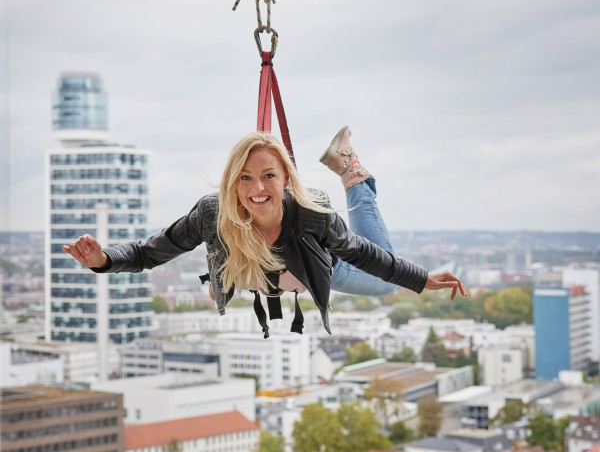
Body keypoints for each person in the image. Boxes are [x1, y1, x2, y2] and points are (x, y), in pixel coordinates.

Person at [62, 127, 467, 336]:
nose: (257, 189)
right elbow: (151, 252)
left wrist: (421, 278)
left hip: (313, 268)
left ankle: (352, 172)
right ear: (231, 183)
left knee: (384, 286)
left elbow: (365, 254)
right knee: (226, 270)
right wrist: (103, 259)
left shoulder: (313, 217)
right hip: (254, 271)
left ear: (286, 179)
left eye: (269, 176)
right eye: (246, 178)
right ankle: (223, 274)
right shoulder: (213, 215)